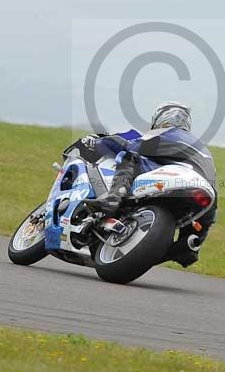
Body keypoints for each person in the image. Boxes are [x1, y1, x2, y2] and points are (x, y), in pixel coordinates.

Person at [82, 101, 217, 267]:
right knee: (193, 237)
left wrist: (100, 142)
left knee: (129, 156)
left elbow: (131, 146)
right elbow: (212, 202)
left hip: (180, 178)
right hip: (203, 191)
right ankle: (190, 246)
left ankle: (112, 198)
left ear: (161, 117)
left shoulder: (168, 133)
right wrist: (195, 237)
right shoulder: (203, 148)